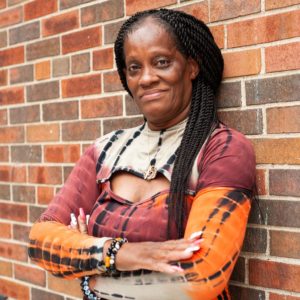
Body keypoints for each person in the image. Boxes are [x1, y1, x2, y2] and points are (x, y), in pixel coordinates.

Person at [28, 8, 256, 300]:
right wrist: (121, 254)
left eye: (162, 62)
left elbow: (201, 276)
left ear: (191, 67)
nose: (146, 78)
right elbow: (41, 241)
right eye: (134, 68)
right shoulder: (106, 150)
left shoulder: (222, 149)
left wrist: (92, 270)